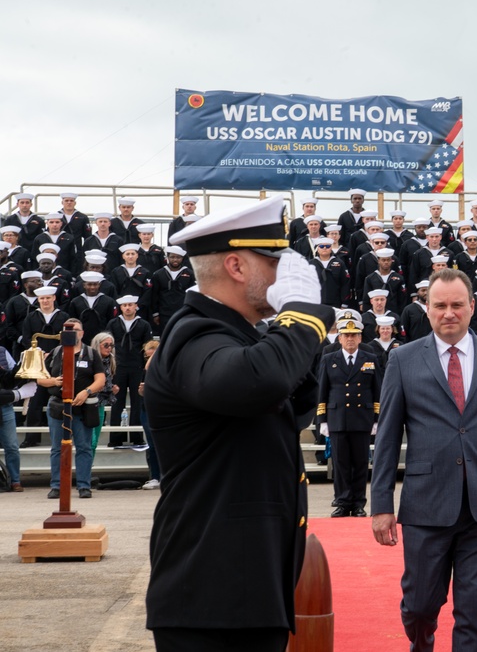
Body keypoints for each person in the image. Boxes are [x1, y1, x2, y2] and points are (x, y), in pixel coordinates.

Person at [144, 196, 335, 651]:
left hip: (243, 589)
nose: (283, 273)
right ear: (235, 266)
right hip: (211, 596)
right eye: (273, 260)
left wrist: (293, 332)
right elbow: (260, 381)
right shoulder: (194, 334)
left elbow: (292, 398)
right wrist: (303, 317)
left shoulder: (238, 336)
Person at [370, 267, 477, 652]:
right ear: (426, 309)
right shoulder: (404, 360)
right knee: (419, 605)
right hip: (425, 505)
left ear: (472, 307)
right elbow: (387, 439)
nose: (449, 312)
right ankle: (422, 643)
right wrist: (381, 504)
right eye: (440, 305)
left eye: (457, 305)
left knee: (474, 610)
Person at [316, 316, 382, 517]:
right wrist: (322, 420)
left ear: (360, 338)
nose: (350, 339)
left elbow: (377, 390)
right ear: (340, 338)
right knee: (341, 462)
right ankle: (343, 501)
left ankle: (359, 503)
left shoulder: (370, 359)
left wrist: (377, 418)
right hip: (337, 418)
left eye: (354, 335)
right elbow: (322, 391)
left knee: (361, 462)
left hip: (362, 418)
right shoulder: (329, 359)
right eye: (346, 335)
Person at [36, 317, 105, 499]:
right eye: (68, 329)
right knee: (57, 448)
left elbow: (101, 379)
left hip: (82, 406)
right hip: (59, 405)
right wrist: (53, 381)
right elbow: (40, 378)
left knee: (83, 447)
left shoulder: (91, 353)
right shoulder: (56, 352)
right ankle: (57, 486)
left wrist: (86, 391)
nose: (72, 332)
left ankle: (84, 485)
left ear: (82, 333)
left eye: (75, 329)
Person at [106, 295, 153, 446]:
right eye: (125, 305)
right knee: (117, 401)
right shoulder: (113, 323)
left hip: (137, 366)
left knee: (137, 402)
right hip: (118, 367)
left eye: (130, 305)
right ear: (120, 307)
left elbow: (147, 346)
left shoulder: (143, 324)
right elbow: (108, 344)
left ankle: (136, 437)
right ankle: (115, 438)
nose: (127, 308)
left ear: (135, 306)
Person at [0, 345, 35, 492]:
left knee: (12, 446)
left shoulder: (2, 350)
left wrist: (24, 363)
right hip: (6, 402)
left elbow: (8, 380)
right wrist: (18, 394)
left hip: (4, 406)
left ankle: (15, 480)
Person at [138, 339, 161, 489]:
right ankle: (154, 476)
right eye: (147, 357)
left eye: (152, 356)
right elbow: (140, 390)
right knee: (151, 444)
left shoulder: (164, 369)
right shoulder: (144, 370)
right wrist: (141, 391)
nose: (148, 360)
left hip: (162, 409)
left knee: (162, 444)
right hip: (147, 408)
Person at [89, 332, 119, 452]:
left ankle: (89, 468)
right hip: (89, 402)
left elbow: (107, 383)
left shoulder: (109, 361)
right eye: (105, 345)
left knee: (94, 442)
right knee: (91, 441)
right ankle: (85, 469)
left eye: (111, 345)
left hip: (100, 403)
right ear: (97, 345)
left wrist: (112, 389)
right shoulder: (90, 360)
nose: (109, 348)